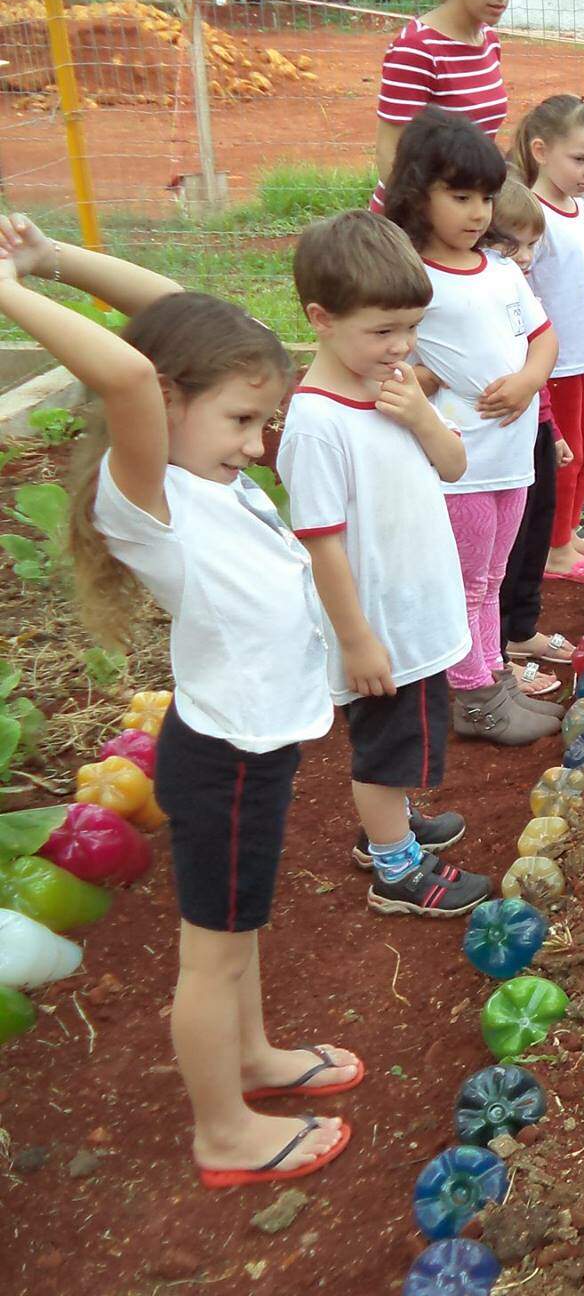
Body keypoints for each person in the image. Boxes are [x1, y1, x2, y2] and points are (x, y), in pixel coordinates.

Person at [0, 215, 353, 1187]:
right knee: (212, 955)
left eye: (261, 421)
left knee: (240, 935)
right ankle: (223, 1132)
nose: (257, 442)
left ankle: (252, 1057)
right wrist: (8, 289)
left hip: (253, 747)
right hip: (226, 758)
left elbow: (176, 320)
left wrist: (49, 258)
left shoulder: (201, 464)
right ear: (168, 403)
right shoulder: (148, 489)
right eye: (242, 420)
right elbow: (126, 373)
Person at [279, 211, 503, 915]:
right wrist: (355, 641)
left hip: (416, 610)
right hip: (379, 627)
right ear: (320, 318)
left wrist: (420, 415)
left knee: (407, 738)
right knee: (387, 750)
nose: (401, 345)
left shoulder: (394, 390)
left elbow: (455, 462)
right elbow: (321, 544)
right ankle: (395, 869)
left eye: (411, 327)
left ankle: (393, 827)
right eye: (382, 331)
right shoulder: (317, 424)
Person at [382, 108, 565, 719]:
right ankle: (471, 694)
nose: (477, 213)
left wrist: (528, 383)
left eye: (485, 198)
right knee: (465, 582)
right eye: (460, 197)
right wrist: (428, 377)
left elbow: (543, 337)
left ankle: (492, 674)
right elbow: (391, 354)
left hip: (511, 459)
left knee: (491, 577)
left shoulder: (503, 270)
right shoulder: (410, 279)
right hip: (459, 462)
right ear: (417, 194)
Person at [510, 94, 584, 586]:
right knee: (566, 455)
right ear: (540, 151)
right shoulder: (532, 216)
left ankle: (568, 532)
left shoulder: (580, 209)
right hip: (554, 360)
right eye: (580, 160)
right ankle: (554, 551)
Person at [484, 181, 581, 674]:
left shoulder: (518, 289)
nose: (523, 257)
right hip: (499, 435)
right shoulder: (487, 294)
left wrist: (554, 431)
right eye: (510, 246)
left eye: (530, 245)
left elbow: (535, 370)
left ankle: (522, 629)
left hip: (534, 428)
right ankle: (497, 647)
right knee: (509, 540)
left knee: (537, 526)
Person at [372, 0, 519, 209]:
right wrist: (427, 226)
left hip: (469, 215)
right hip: (419, 220)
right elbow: (390, 155)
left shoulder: (489, 40)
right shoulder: (416, 48)